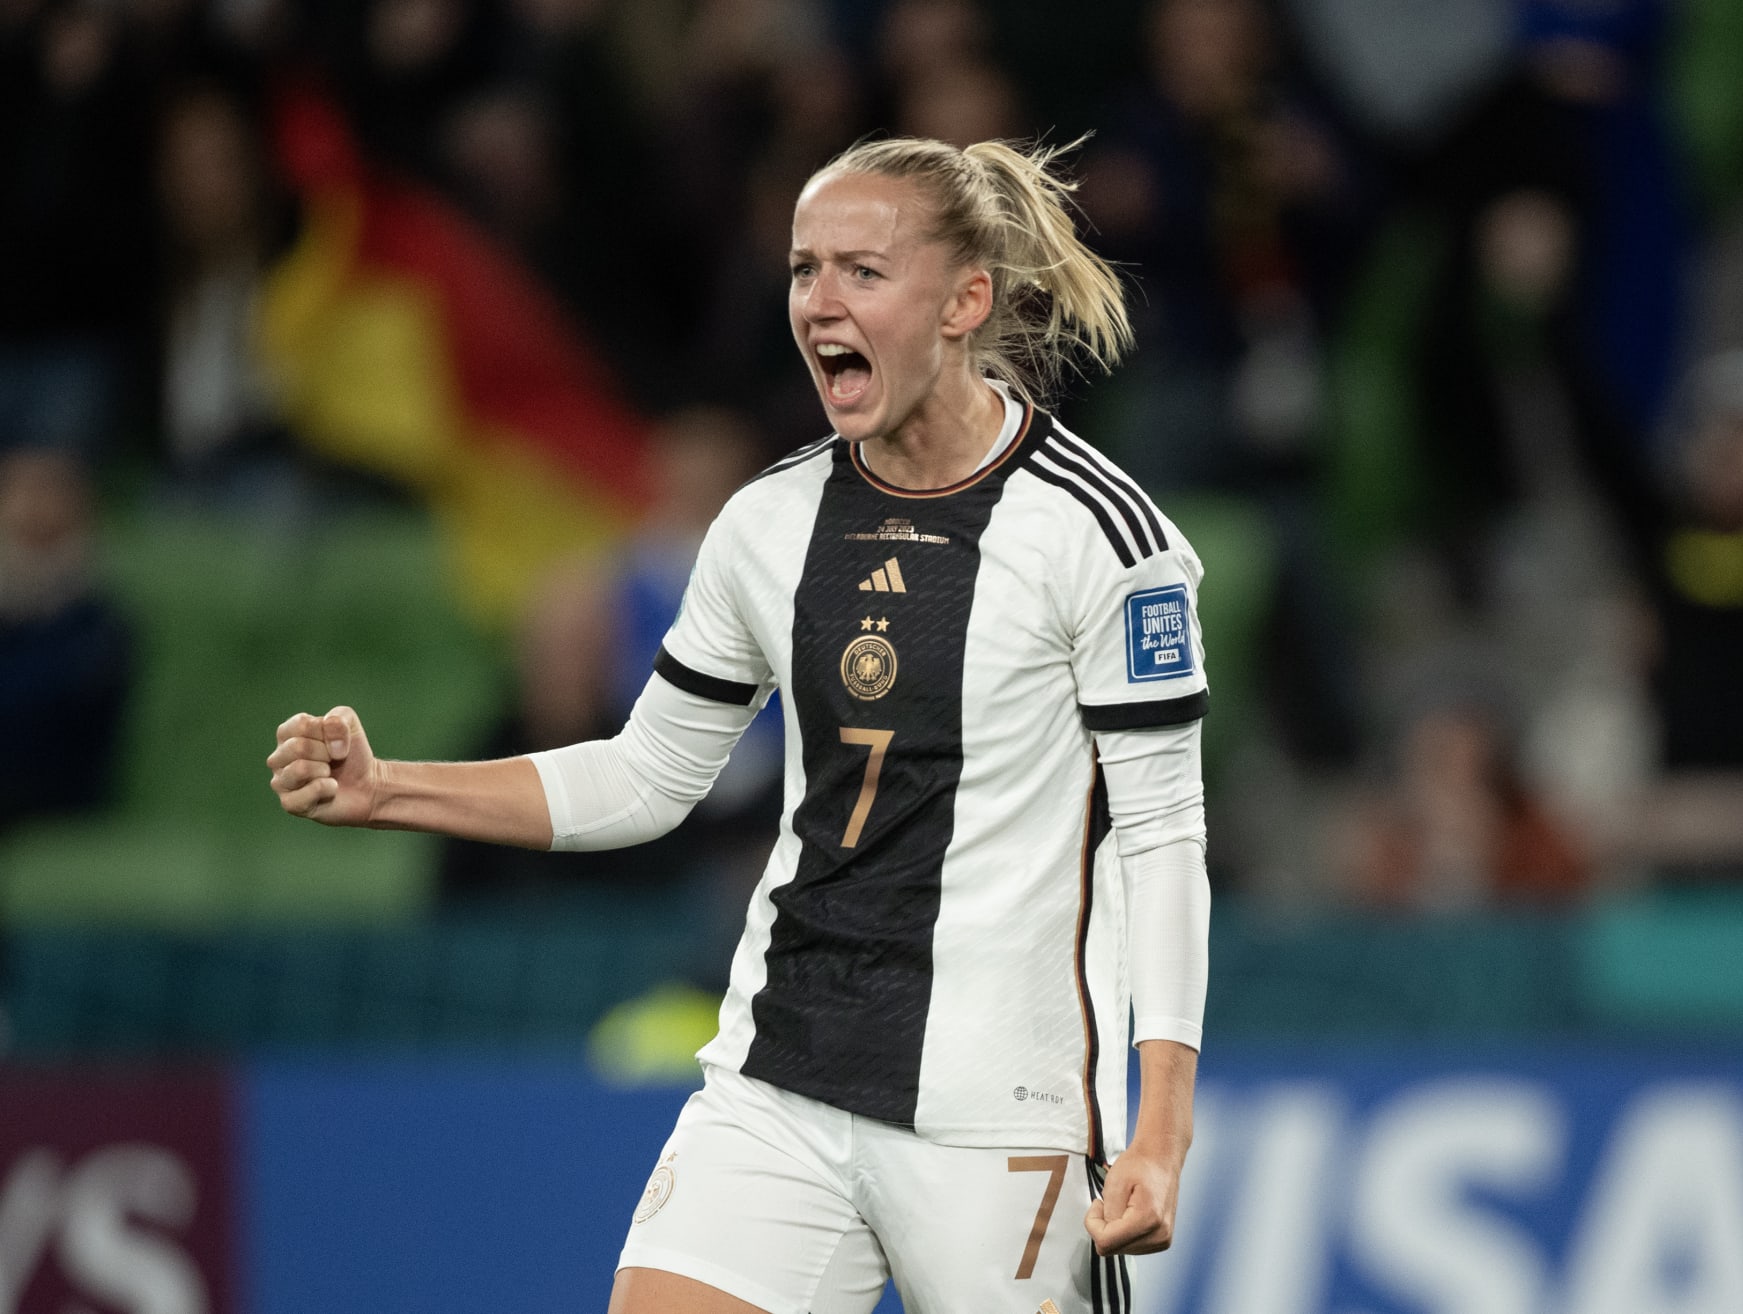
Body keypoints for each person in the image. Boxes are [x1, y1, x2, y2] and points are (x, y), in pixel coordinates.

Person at [268, 134, 1212, 1314]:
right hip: (780, 1081)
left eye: (863, 271)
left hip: (1000, 1111)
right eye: (803, 269)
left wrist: (1160, 1126)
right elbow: (647, 775)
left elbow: (1166, 843)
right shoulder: (768, 523)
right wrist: (390, 790)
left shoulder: (1105, 539)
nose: (821, 302)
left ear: (967, 300)